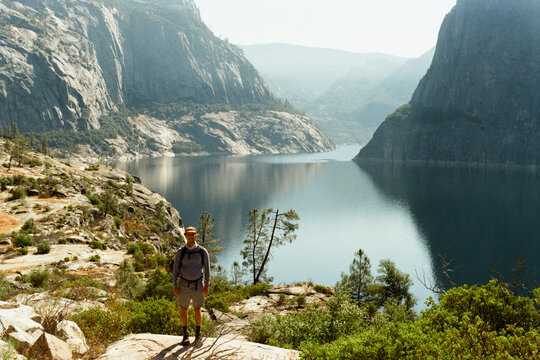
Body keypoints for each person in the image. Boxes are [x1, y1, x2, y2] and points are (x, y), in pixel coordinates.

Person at [172, 226, 210, 345]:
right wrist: (175, 285)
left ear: (196, 236)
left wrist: (207, 284)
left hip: (198, 284)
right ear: (185, 236)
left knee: (197, 309)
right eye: (188, 234)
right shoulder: (180, 252)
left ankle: (198, 335)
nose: (190, 236)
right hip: (184, 285)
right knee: (184, 309)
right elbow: (175, 270)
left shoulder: (202, 251)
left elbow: (207, 269)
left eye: (193, 234)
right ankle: (185, 335)